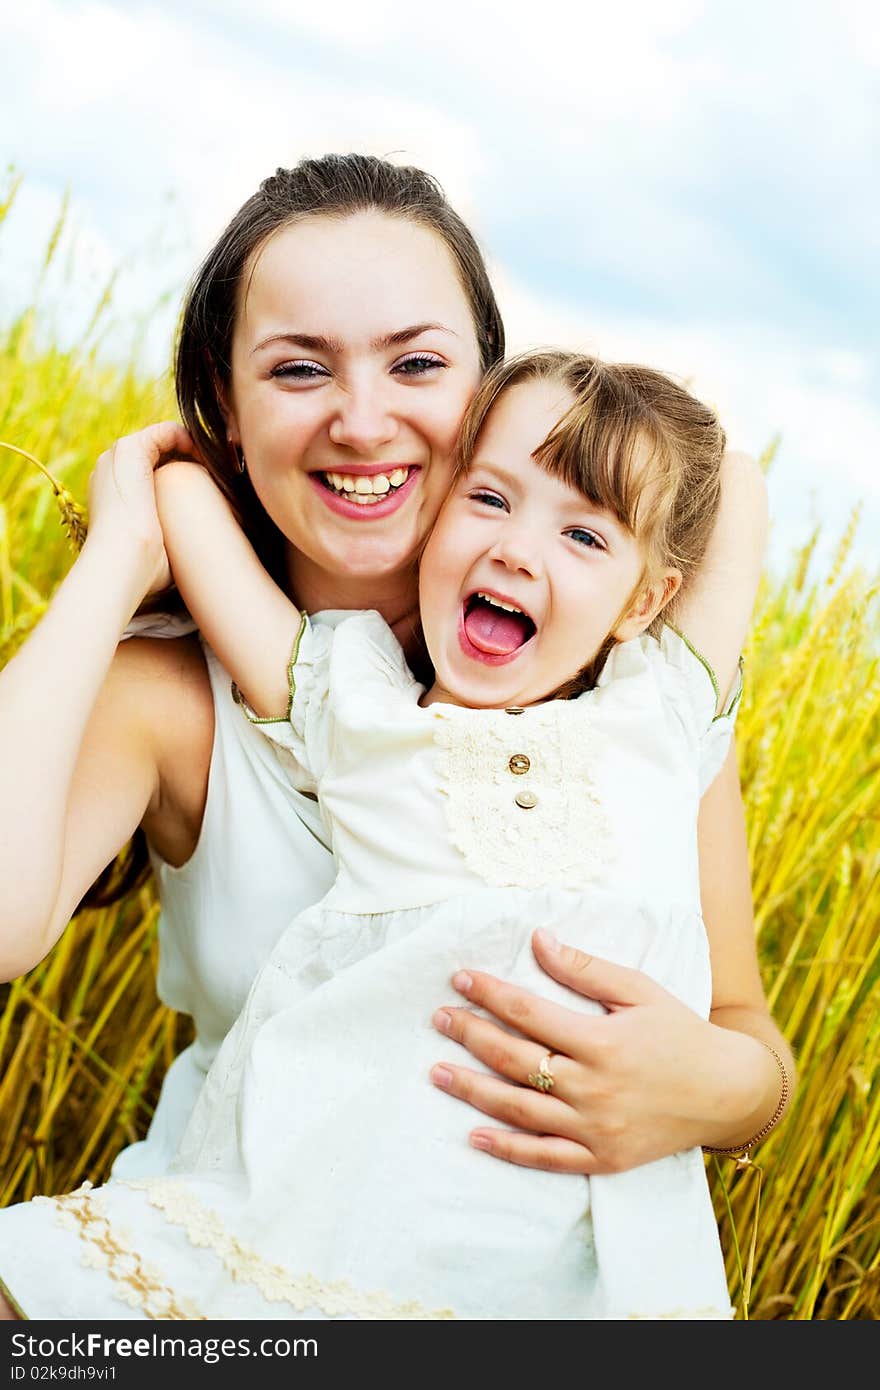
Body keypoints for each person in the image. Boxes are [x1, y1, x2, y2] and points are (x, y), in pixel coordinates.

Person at [0, 155, 793, 1320]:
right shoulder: (186, 697)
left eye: (417, 362)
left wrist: (712, 1092)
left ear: (485, 387)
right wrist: (122, 549)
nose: (362, 419)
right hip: (236, 1257)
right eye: (297, 368)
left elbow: (746, 1034)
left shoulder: (627, 720)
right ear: (223, 404)